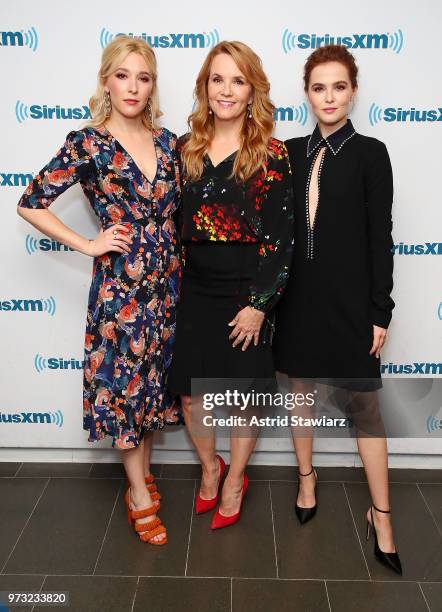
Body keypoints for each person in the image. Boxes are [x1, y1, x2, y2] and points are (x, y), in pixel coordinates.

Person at [17, 36, 181, 545]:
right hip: (123, 292)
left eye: (144, 76)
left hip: (171, 286)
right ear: (106, 80)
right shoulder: (87, 143)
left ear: (152, 86)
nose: (133, 86)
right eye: (123, 75)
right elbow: (30, 202)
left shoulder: (169, 141)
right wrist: (88, 244)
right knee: (128, 389)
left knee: (153, 388)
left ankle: (142, 474)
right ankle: (137, 493)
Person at [273, 44, 402, 574]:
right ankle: (307, 477)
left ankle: (383, 514)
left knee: (365, 407)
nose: (329, 97)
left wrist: (381, 309)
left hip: (352, 303)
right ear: (307, 93)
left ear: (353, 90)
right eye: (319, 87)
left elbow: (381, 239)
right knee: (299, 389)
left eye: (339, 86)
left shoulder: (372, 153)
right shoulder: (288, 152)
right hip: (297, 298)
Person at [168, 41, 293, 529]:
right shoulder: (185, 148)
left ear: (252, 90)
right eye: (217, 79)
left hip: (248, 288)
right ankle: (209, 468)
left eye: (237, 81)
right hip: (196, 287)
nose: (226, 90)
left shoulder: (272, 153)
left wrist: (259, 305)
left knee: (242, 396)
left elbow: (282, 239)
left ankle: (236, 479)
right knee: (192, 393)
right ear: (205, 86)